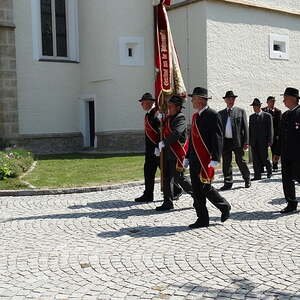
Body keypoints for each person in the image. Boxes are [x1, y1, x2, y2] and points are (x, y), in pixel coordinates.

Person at [184, 87, 231, 228]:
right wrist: (187, 156)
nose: (192, 101)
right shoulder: (195, 116)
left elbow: (217, 138)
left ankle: (224, 206)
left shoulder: (213, 115)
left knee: (205, 187)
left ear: (200, 99)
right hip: (194, 158)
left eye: (194, 98)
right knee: (197, 190)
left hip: (206, 159)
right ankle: (202, 219)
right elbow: (192, 139)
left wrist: (215, 158)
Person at [155, 95, 193, 211]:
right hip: (168, 153)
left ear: (178, 107)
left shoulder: (180, 118)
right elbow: (162, 131)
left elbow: (176, 134)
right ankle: (168, 202)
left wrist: (164, 143)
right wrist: (159, 145)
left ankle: (197, 195)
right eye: (168, 106)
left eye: (171, 107)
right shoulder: (168, 118)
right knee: (167, 177)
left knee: (180, 178)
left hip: (177, 153)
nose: (169, 109)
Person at [274, 87, 300, 213]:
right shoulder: (285, 115)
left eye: (285, 99)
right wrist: (277, 153)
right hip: (286, 154)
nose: (283, 101)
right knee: (287, 179)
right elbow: (280, 136)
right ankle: (291, 203)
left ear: (293, 99)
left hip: (298, 154)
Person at [218, 91, 251, 190]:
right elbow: (219, 130)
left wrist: (246, 142)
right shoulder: (221, 113)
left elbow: (245, 128)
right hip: (226, 142)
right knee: (226, 163)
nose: (231, 100)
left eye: (233, 99)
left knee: (240, 160)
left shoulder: (240, 111)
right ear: (225, 100)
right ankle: (228, 182)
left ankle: (247, 179)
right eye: (229, 99)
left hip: (237, 141)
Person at [135, 93, 160, 202]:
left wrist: (158, 146)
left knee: (167, 173)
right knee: (148, 172)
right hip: (150, 151)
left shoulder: (157, 114)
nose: (141, 105)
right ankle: (148, 194)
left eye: (143, 102)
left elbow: (161, 132)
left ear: (149, 102)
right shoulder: (148, 114)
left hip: (158, 150)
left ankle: (176, 190)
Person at [249, 98, 273, 180]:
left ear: (259, 106)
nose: (254, 108)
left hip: (263, 141)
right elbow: (250, 129)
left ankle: (269, 171)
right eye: (253, 106)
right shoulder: (251, 117)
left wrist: (270, 140)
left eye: (255, 106)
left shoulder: (267, 116)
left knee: (264, 157)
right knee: (255, 160)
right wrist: (249, 141)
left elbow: (270, 129)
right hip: (254, 142)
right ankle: (257, 175)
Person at [262, 96, 282, 171]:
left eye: (273, 101)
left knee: (275, 151)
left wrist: (278, 135)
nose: (272, 103)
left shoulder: (278, 111)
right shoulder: (263, 110)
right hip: (265, 135)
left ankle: (275, 165)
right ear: (267, 102)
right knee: (263, 151)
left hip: (274, 135)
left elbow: (279, 125)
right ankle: (265, 165)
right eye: (271, 101)